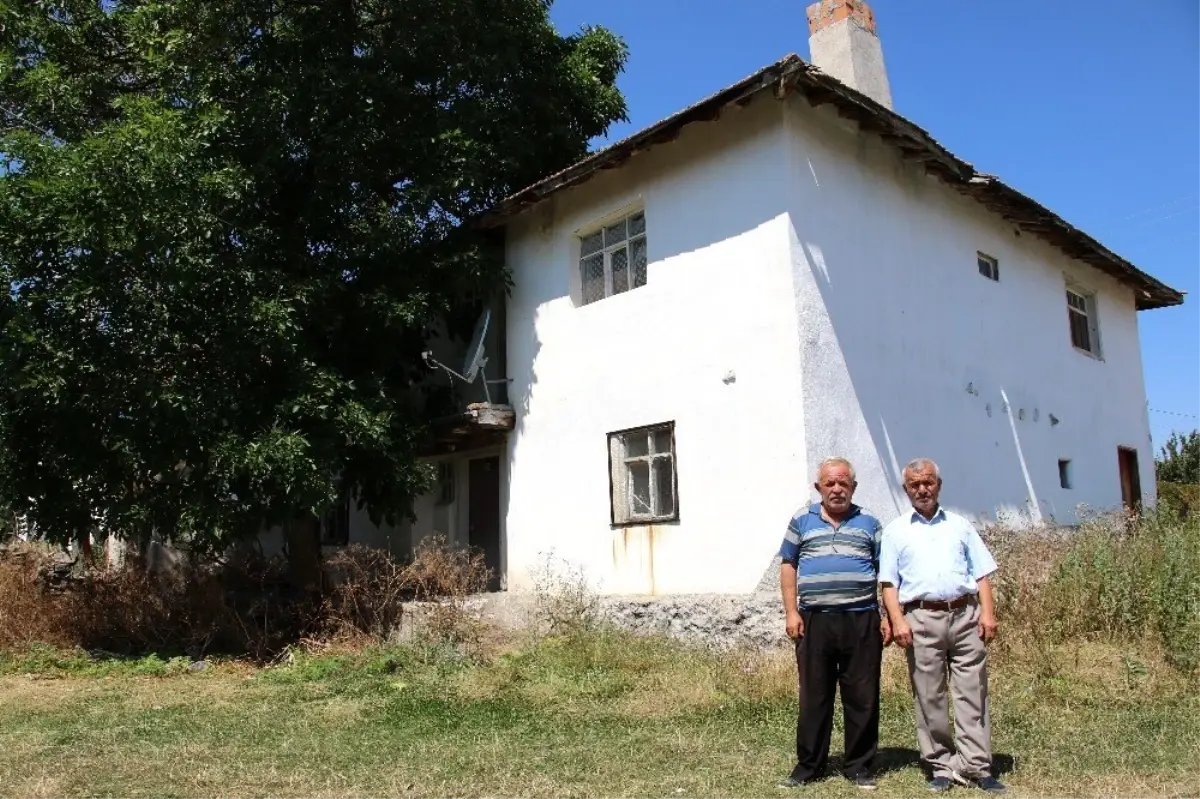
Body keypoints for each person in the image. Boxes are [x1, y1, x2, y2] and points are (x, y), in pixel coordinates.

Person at [878, 458, 1008, 795]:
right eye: (914, 484)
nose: (922, 489)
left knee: (973, 692)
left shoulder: (961, 526)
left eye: (928, 482)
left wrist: (988, 614)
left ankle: (978, 765)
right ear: (905, 489)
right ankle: (940, 765)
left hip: (965, 616)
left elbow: (980, 574)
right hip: (920, 619)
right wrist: (898, 620)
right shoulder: (896, 531)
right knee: (929, 694)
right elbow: (889, 584)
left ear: (939, 484)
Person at [778, 457, 891, 792]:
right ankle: (809, 765)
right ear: (819, 488)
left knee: (863, 696)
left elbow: (886, 575)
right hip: (814, 620)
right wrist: (791, 612)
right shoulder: (801, 521)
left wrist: (886, 615)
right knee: (814, 695)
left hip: (862, 620)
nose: (837, 489)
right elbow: (788, 566)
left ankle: (859, 766)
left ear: (853, 487)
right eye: (830, 483)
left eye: (844, 483)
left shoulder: (870, 522)